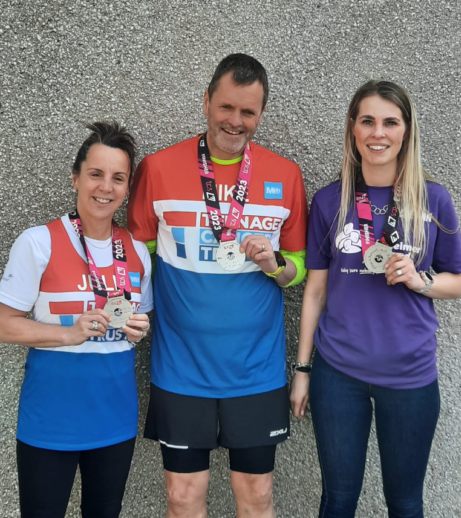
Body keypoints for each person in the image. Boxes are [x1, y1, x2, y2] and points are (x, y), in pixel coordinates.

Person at [127, 53, 308, 518]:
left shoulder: (285, 175)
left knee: (257, 498)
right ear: (206, 101)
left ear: (261, 114)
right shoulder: (158, 168)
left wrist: (275, 264)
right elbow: (133, 258)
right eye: (226, 107)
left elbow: (300, 271)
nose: (236, 121)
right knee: (183, 500)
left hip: (256, 371)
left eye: (248, 111)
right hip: (181, 370)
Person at [290, 80, 461, 518]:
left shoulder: (433, 199)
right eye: (367, 121)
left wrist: (420, 281)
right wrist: (303, 370)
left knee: (405, 503)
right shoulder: (330, 201)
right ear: (353, 128)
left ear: (406, 131)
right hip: (339, 375)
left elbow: (458, 282)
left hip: (409, 375)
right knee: (338, 500)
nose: (378, 133)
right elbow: (315, 291)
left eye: (390, 122)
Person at [0, 122, 153, 518]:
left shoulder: (136, 250)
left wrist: (139, 328)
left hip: (114, 421)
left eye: (118, 178)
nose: (106, 187)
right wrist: (68, 334)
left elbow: (139, 321)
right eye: (96, 174)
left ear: (127, 188)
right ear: (75, 178)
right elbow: (4, 323)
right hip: (50, 421)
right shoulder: (38, 242)